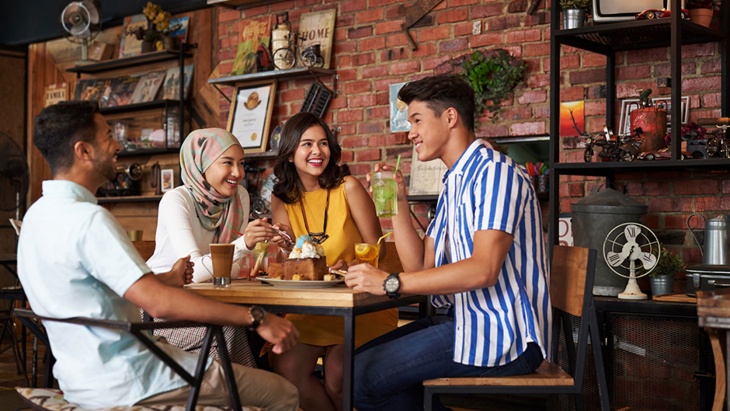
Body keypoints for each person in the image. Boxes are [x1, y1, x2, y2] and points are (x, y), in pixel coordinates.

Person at [18, 101, 299, 410]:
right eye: (108, 135)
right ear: (83, 151)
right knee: (284, 393)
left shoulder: (36, 217)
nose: (117, 145)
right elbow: (157, 303)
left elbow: (97, 289)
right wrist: (255, 317)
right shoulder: (90, 220)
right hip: (135, 378)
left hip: (82, 381)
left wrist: (167, 277)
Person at [344, 75, 551, 411]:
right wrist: (399, 201)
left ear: (450, 117)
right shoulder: (455, 182)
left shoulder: (495, 173)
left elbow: (483, 270)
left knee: (362, 378)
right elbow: (420, 268)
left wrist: (390, 282)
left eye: (417, 120)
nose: (410, 133)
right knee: (351, 368)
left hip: (501, 333)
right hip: (460, 320)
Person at [269, 112, 399, 411]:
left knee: (338, 376)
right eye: (307, 144)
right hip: (312, 307)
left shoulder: (348, 187)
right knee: (286, 367)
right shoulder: (282, 198)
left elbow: (378, 250)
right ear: (290, 153)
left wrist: (353, 265)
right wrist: (277, 246)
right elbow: (288, 257)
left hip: (360, 304)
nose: (318, 152)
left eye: (323, 143)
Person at [146, 127, 286, 367]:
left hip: (207, 303)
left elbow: (229, 272)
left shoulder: (239, 198)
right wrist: (244, 244)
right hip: (160, 311)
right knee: (236, 327)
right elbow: (193, 273)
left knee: (260, 321)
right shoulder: (177, 200)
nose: (238, 173)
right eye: (227, 163)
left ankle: (228, 394)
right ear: (201, 164)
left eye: (241, 164)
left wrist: (256, 244)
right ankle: (228, 395)